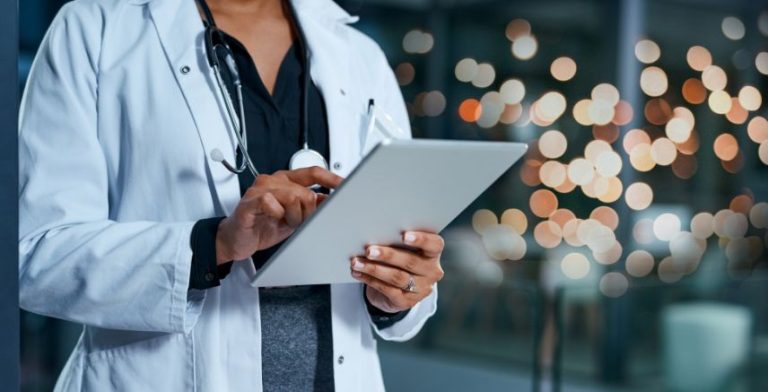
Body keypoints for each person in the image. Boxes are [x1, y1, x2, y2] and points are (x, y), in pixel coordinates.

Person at [18, 0, 444, 390]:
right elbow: (34, 254)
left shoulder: (359, 55)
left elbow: (401, 268)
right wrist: (214, 245)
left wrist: (398, 291)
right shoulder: (96, 30)